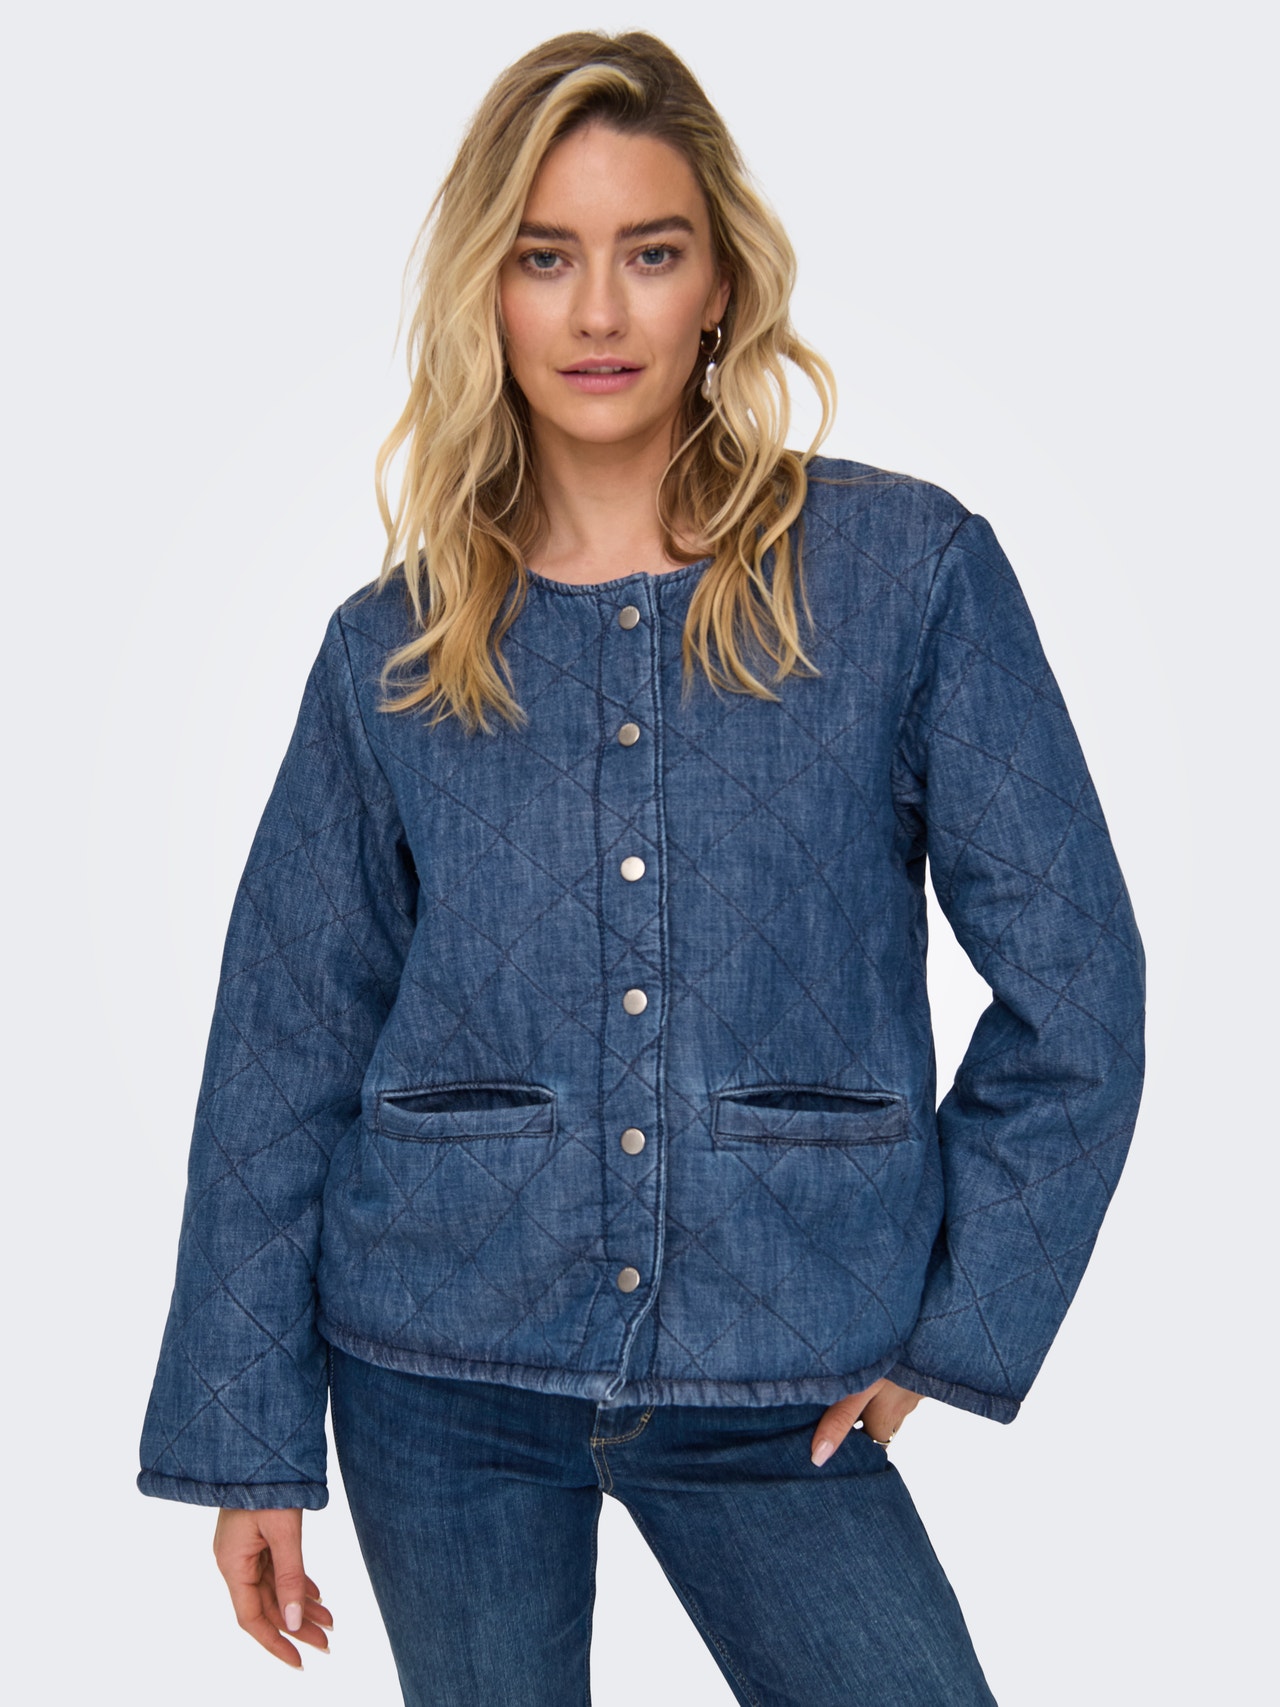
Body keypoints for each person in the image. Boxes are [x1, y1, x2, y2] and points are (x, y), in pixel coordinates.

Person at [136, 29, 1146, 1706]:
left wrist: (956, 1328)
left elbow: (1079, 991)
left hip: (782, 1364)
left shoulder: (905, 576)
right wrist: (247, 1439)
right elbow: (282, 1048)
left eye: (650, 253)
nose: (598, 311)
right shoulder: (393, 649)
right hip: (434, 1370)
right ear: (489, 291)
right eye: (546, 257)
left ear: (721, 286)